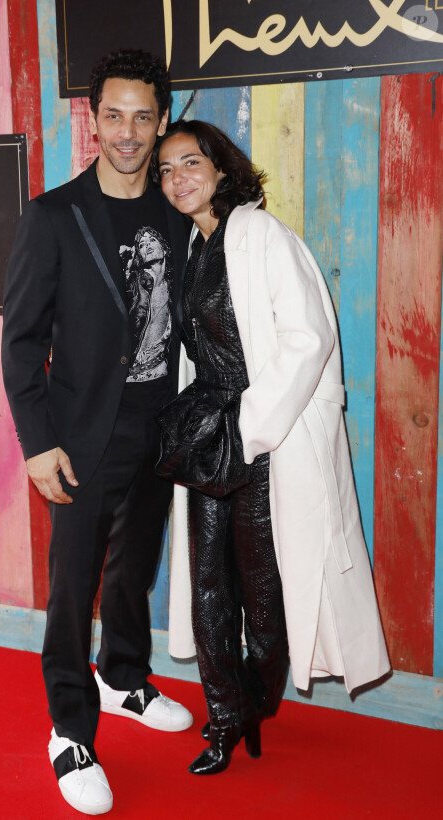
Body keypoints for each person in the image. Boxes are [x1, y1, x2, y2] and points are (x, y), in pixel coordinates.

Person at [151, 120, 391, 775]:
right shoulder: (192, 247)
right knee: (206, 584)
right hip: (210, 433)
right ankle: (226, 717)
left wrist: (253, 424)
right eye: (166, 169)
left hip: (260, 432)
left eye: (190, 162)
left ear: (223, 169)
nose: (178, 178)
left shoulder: (260, 236)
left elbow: (308, 338)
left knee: (264, 591)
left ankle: (257, 699)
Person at [1, 50, 192, 816]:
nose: (128, 131)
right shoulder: (54, 215)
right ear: (93, 117)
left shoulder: (179, 215)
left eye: (143, 116)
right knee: (73, 586)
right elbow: (21, 340)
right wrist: (37, 441)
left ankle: (124, 679)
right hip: (78, 438)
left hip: (159, 431)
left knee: (133, 570)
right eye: (114, 114)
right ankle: (70, 730)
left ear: (162, 122)